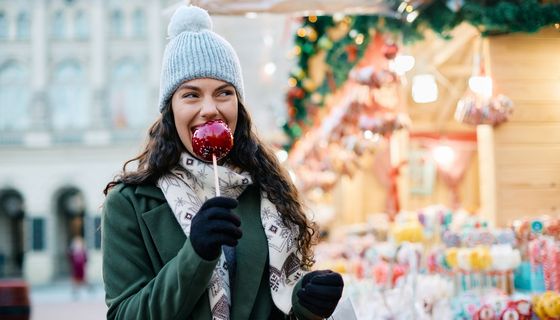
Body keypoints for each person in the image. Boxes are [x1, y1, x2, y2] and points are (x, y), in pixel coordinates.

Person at [101, 5, 344, 320]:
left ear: (238, 106)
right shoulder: (129, 203)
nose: (209, 109)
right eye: (190, 95)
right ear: (169, 110)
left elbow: (276, 304)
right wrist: (196, 255)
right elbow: (124, 315)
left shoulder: (267, 188)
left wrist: (306, 301)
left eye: (223, 93)